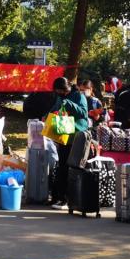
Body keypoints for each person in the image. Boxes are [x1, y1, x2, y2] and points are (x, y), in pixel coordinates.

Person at [49, 77, 90, 208]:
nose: (61, 94)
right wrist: (48, 115)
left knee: (72, 168)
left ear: (67, 88)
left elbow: (83, 113)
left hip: (76, 136)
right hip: (64, 135)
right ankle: (59, 197)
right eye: (58, 92)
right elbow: (55, 109)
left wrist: (69, 104)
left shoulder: (79, 95)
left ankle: (68, 199)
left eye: (62, 91)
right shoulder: (60, 97)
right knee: (62, 166)